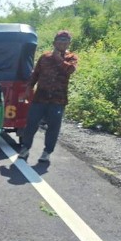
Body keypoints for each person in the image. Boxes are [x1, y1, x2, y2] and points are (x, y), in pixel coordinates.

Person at [18, 30, 78, 164]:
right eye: (60, 40)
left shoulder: (71, 58)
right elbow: (35, 74)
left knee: (53, 127)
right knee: (31, 124)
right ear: (54, 43)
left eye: (65, 41)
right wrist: (28, 88)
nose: (62, 43)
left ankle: (47, 152)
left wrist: (58, 58)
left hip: (58, 100)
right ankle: (25, 148)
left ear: (69, 43)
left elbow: (70, 70)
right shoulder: (44, 57)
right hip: (40, 98)